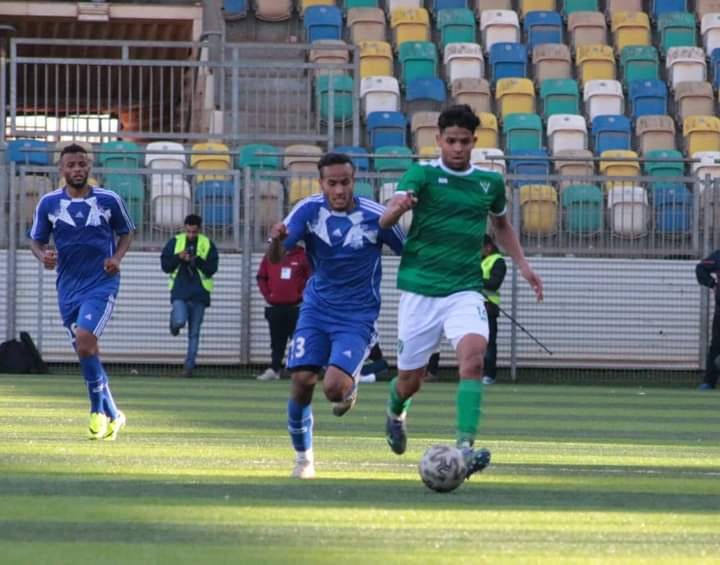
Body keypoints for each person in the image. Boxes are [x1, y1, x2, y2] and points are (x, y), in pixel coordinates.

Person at [379, 104, 543, 480]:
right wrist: (398, 209)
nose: (456, 148)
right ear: (438, 140)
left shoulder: (489, 183)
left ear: (474, 142)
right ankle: (395, 409)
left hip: (464, 290)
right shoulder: (420, 174)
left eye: (464, 142)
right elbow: (385, 219)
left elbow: (502, 226)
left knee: (473, 359)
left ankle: (465, 449)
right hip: (420, 290)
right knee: (410, 380)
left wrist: (524, 265)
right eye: (450, 141)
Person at [267, 152, 404, 479]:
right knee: (301, 380)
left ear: (353, 181)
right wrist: (277, 240)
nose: (340, 190)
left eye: (345, 182)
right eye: (333, 183)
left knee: (333, 390)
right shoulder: (308, 210)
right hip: (316, 309)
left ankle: (349, 384)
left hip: (357, 316)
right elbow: (275, 257)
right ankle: (304, 460)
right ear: (322, 184)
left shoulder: (376, 216)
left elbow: (409, 252)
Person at [29, 143, 135, 440]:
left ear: (89, 167)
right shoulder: (49, 203)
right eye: (71, 165)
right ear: (61, 170)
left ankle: (96, 411)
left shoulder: (108, 199)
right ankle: (114, 413)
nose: (77, 169)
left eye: (82, 164)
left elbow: (127, 232)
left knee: (85, 342)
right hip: (68, 288)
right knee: (87, 351)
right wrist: (44, 256)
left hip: (101, 283)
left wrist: (116, 258)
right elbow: (36, 241)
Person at [160, 214, 219, 378]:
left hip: (200, 294)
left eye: (194, 232)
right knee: (180, 320)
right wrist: (179, 258)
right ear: (184, 228)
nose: (191, 235)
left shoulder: (207, 244)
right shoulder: (175, 242)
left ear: (199, 230)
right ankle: (174, 324)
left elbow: (212, 268)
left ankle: (189, 367)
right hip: (180, 290)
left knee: (194, 333)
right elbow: (165, 265)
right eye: (188, 231)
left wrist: (197, 260)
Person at [255, 244, 311, 381]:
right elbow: (261, 277)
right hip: (275, 307)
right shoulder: (270, 255)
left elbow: (311, 277)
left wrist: (300, 295)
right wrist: (268, 295)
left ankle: (298, 369)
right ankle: (274, 369)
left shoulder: (302, 255)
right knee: (276, 341)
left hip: (296, 307)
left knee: (298, 340)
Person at [480, 233, 507, 386]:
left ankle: (489, 374)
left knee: (489, 343)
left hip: (489, 307)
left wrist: (474, 277)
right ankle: (475, 372)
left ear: (489, 247)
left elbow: (494, 283)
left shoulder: (498, 262)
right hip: (474, 307)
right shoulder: (480, 260)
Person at [695, 250, 720, 390]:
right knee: (716, 346)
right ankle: (709, 382)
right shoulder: (718, 256)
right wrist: (712, 283)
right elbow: (701, 268)